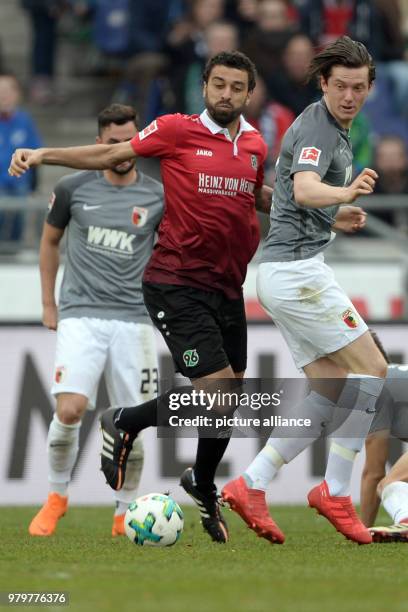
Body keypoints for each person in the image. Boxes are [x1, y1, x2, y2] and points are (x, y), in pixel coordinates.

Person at [9, 51, 272, 544]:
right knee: (214, 389)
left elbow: (256, 195)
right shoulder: (175, 130)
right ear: (205, 86)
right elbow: (111, 155)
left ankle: (199, 480)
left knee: (229, 398)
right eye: (218, 84)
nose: (226, 94)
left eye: (237, 87)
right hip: (176, 282)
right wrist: (44, 155)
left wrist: (321, 211)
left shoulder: (255, 144)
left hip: (227, 285)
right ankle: (126, 422)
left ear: (249, 93)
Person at [221, 36, 388, 545]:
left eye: (359, 87)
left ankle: (252, 483)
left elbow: (300, 197)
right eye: (341, 85)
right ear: (323, 83)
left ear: (369, 89)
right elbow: (301, 188)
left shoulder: (335, 129)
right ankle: (335, 491)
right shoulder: (318, 123)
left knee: (330, 389)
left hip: (284, 272)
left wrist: (337, 213)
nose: (349, 96)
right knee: (373, 369)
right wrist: (344, 191)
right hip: (296, 273)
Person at [27, 103, 164, 537]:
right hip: (81, 313)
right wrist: (49, 304)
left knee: (133, 421)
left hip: (135, 319)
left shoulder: (158, 195)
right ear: (98, 143)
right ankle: (56, 496)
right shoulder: (72, 188)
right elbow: (50, 242)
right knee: (69, 408)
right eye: (111, 143)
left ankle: (123, 513)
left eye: (128, 142)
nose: (121, 151)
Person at [359, 332, 408, 541]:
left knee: (388, 484)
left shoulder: (375, 387)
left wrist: (360, 531)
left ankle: (405, 522)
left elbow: (373, 473)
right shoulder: (395, 376)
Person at [0, 73, 42, 241]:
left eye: (8, 90)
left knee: (17, 226)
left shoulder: (25, 121)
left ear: (17, 94)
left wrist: (34, 187)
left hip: (19, 183)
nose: (3, 95)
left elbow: (37, 154)